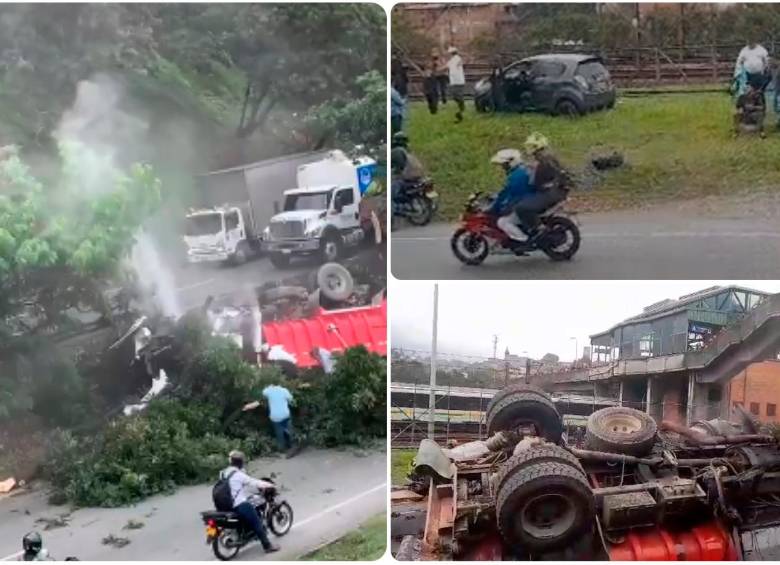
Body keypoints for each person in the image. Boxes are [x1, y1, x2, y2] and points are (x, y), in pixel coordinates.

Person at [220, 451, 280, 554]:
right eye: (243, 461)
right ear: (240, 462)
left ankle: (246, 533)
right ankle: (267, 546)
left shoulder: (223, 473)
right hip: (239, 504)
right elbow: (254, 482)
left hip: (226, 505)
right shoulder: (239, 474)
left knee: (250, 509)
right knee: (257, 523)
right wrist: (270, 485)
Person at [514, 132, 570, 240]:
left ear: (537, 147)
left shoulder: (543, 161)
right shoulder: (549, 158)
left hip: (549, 193)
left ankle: (537, 229)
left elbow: (535, 182)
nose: (529, 148)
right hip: (557, 191)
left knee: (521, 207)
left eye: (531, 146)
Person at [488, 149, 535, 241]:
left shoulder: (517, 176)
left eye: (504, 164)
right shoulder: (521, 170)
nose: (503, 167)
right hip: (529, 200)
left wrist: (497, 207)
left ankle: (523, 240)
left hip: (524, 203)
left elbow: (512, 195)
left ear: (511, 162)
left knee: (502, 222)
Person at [244, 383, 295, 453]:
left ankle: (281, 449)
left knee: (279, 432)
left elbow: (260, 400)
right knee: (288, 427)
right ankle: (290, 443)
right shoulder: (284, 390)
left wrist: (248, 406)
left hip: (275, 417)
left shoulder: (267, 391)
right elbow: (291, 399)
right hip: (285, 415)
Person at [390, 131, 425, 208]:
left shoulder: (397, 151)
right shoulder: (408, 150)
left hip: (408, 176)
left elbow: (399, 167)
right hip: (418, 175)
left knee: (391, 193)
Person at [445, 47, 466, 122]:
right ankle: (461, 107)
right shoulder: (451, 61)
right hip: (453, 81)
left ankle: (461, 109)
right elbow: (446, 67)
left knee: (458, 95)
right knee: (454, 96)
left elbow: (461, 62)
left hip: (459, 81)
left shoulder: (457, 58)